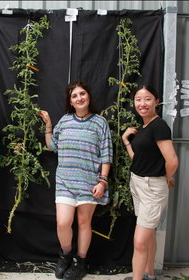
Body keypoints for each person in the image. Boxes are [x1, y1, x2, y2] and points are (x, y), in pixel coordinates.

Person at [39, 81, 113, 280]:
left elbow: (106, 155)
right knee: (63, 223)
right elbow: (52, 146)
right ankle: (65, 255)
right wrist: (48, 126)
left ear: (88, 96)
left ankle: (80, 262)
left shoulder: (100, 123)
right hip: (65, 181)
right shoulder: (64, 121)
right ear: (70, 102)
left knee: (83, 223)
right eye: (74, 96)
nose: (79, 98)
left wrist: (102, 182)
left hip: (90, 183)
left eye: (82, 94)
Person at [122, 85, 179, 280]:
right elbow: (139, 159)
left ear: (156, 101)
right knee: (149, 232)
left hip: (151, 187)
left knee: (139, 241)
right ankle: (149, 273)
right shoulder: (145, 126)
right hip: (138, 183)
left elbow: (172, 161)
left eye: (147, 99)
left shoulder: (159, 125)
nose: (142, 103)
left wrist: (166, 176)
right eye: (138, 99)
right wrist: (126, 141)